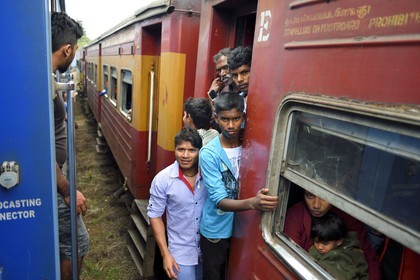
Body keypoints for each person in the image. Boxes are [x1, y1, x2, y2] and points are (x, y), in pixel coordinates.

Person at [199, 92, 279, 280]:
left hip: (243, 227)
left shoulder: (250, 144)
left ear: (243, 117)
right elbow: (219, 200)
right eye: (225, 119)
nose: (231, 125)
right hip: (216, 231)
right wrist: (254, 203)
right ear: (216, 118)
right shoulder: (209, 154)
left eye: (236, 118)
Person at [51, 11, 90, 280]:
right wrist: (68, 189)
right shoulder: (40, 82)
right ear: (67, 49)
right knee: (76, 244)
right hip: (54, 182)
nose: (74, 53)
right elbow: (41, 149)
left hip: (55, 177)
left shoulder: (44, 77)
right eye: (75, 49)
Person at [147, 127, 206, 280]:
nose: (185, 155)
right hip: (180, 253)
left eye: (191, 150)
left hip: (208, 250)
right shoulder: (163, 179)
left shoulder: (209, 175)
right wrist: (165, 254)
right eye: (181, 149)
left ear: (200, 151)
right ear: (175, 150)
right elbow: (155, 216)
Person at [284, 191, 381, 279]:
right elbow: (293, 262)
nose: (316, 205)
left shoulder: (347, 215)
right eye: (310, 195)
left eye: (324, 196)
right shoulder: (295, 216)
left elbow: (368, 258)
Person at [309, 213, 369, 279]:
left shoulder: (354, 251)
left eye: (325, 243)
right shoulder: (314, 252)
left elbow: (363, 271)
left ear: (338, 241)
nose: (319, 247)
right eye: (316, 242)